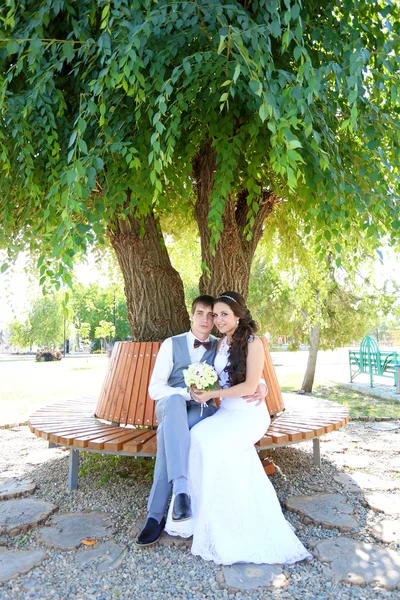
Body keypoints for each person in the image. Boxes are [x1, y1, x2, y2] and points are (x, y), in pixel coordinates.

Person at [165, 292, 312, 566]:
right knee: (197, 436)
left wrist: (216, 394)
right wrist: (203, 389)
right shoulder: (220, 343)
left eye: (224, 314)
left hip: (248, 414)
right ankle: (199, 517)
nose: (218, 319)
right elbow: (218, 379)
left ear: (238, 316)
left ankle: (231, 522)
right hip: (227, 412)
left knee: (215, 445)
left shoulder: (254, 343)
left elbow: (249, 386)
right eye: (216, 314)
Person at [136, 294, 266, 547]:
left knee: (169, 438)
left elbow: (238, 370)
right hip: (172, 407)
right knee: (173, 407)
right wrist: (186, 394)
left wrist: (262, 385)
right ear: (191, 316)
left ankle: (156, 515)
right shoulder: (171, 344)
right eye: (202, 314)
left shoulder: (221, 343)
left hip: (202, 410)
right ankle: (179, 489)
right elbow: (155, 390)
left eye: (213, 315)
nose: (208, 319)